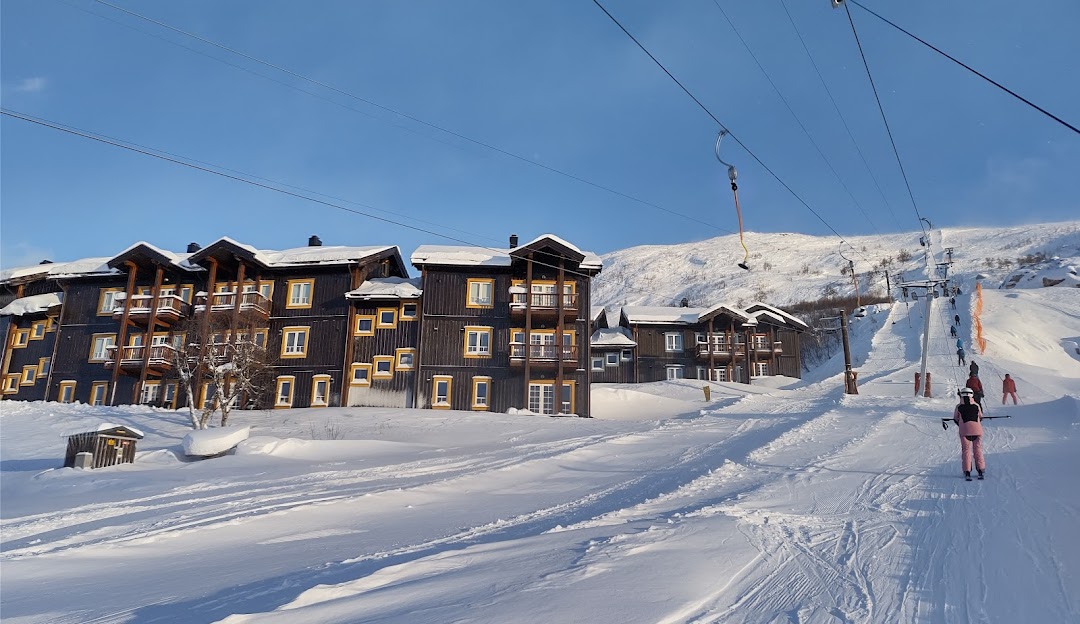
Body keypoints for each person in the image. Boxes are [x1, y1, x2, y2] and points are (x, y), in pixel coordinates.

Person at [953, 387, 986, 480]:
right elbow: (980, 416)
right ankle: (981, 470)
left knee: (966, 451)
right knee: (978, 450)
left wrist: (961, 424)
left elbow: (956, 418)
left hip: (964, 431)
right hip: (977, 431)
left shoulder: (958, 406)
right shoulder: (976, 405)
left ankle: (967, 471)